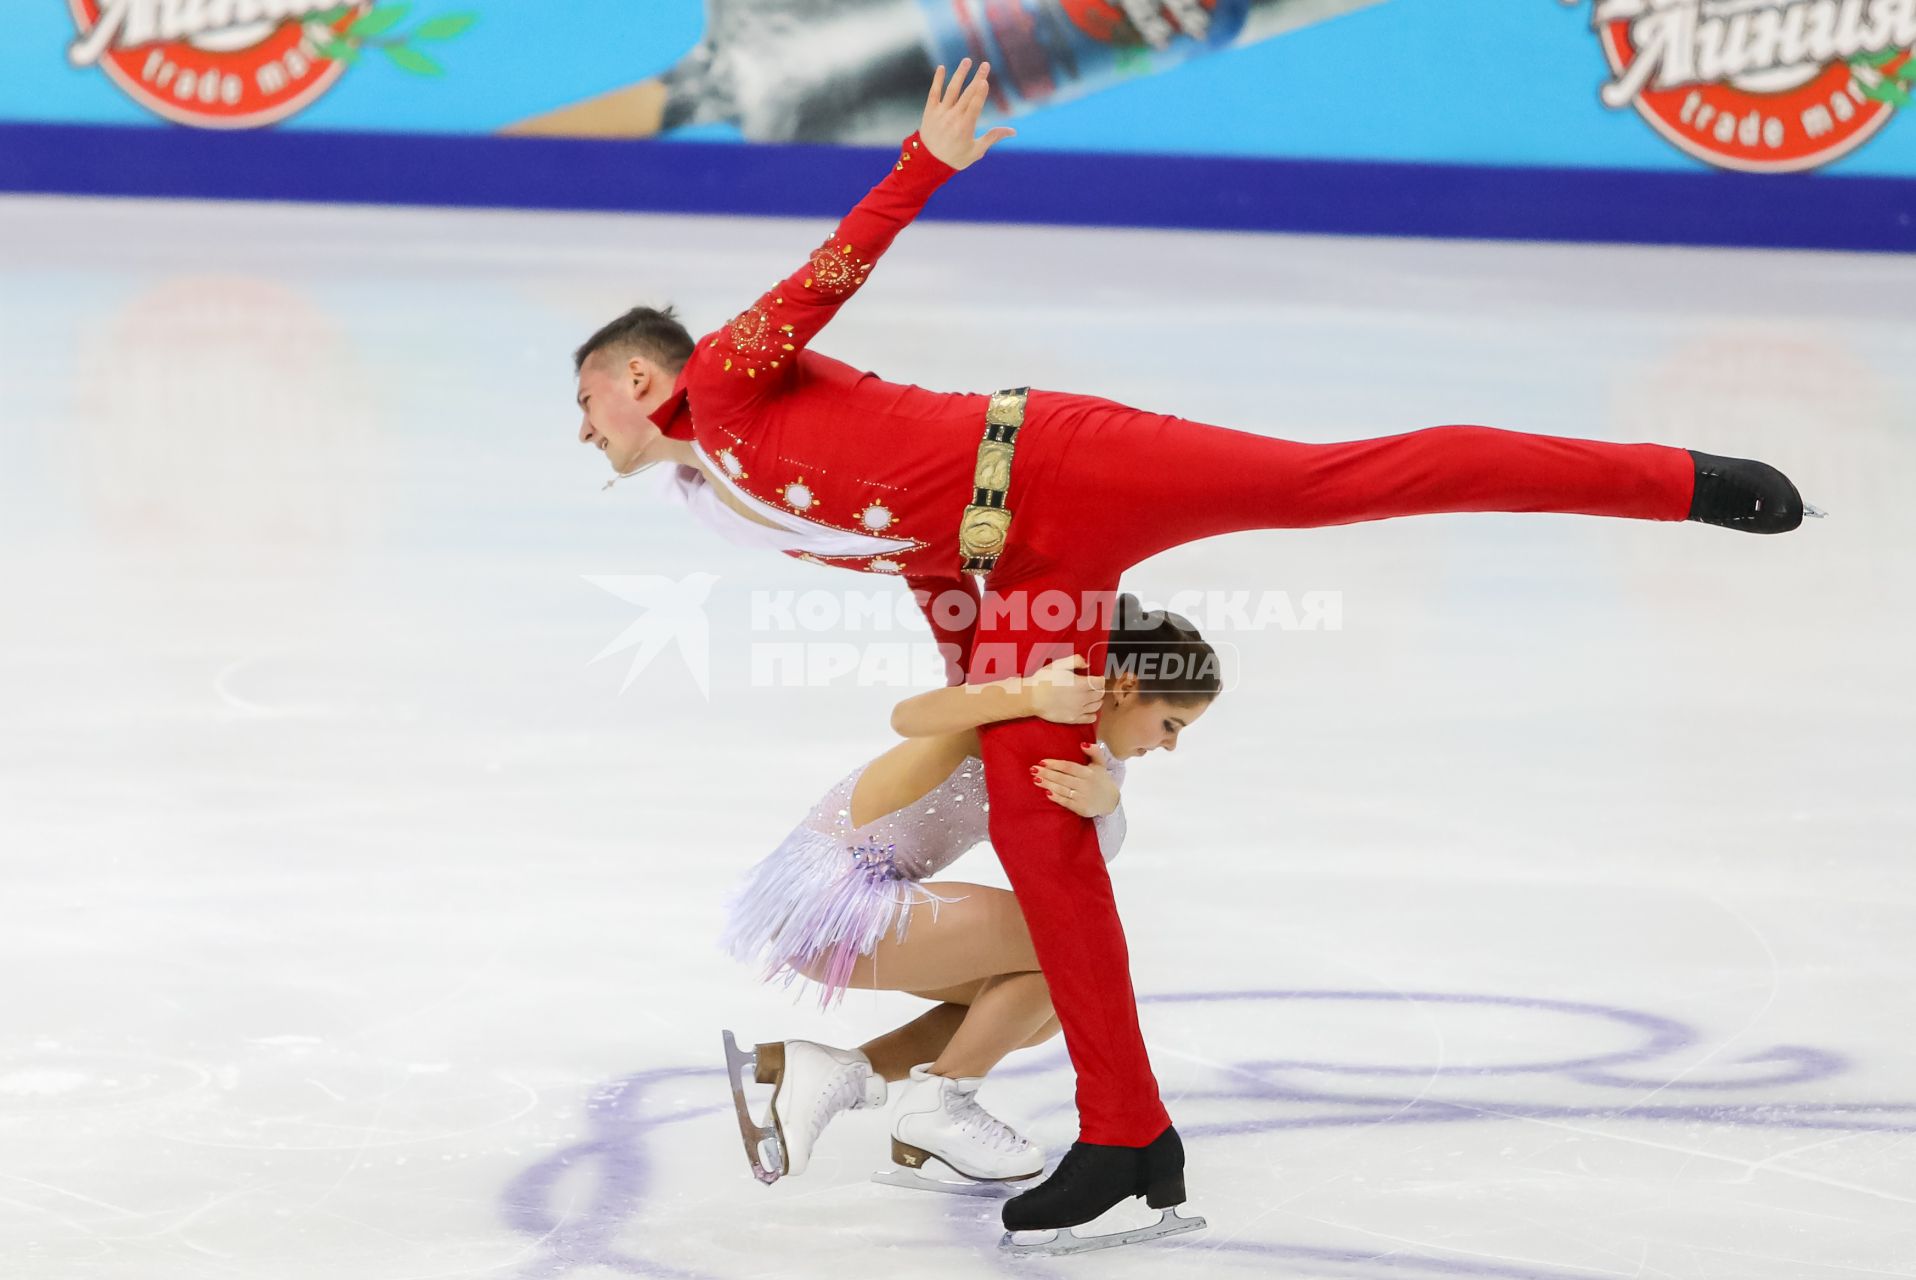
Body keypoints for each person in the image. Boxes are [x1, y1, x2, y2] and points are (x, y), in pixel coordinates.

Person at [573, 60, 1817, 1242]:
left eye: (587, 405)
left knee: (1342, 480)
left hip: (1063, 459)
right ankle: (1127, 1135)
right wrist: (991, 693)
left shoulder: (728, 382)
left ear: (636, 377)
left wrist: (924, 160)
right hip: (1022, 570)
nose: (585, 432)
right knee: (1031, 812)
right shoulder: (716, 498)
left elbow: (828, 270)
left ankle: (1674, 480)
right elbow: (926, 558)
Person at [719, 602, 1213, 1217]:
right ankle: (939, 1104)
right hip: (830, 897)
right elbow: (910, 716)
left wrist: (1104, 800)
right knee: (1065, 946)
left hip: (864, 901)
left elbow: (1087, 858)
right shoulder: (1026, 710)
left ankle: (836, 1071)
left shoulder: (1093, 756)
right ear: (1128, 688)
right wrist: (1028, 693)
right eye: (1170, 724)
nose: (1167, 745)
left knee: (1053, 1003)